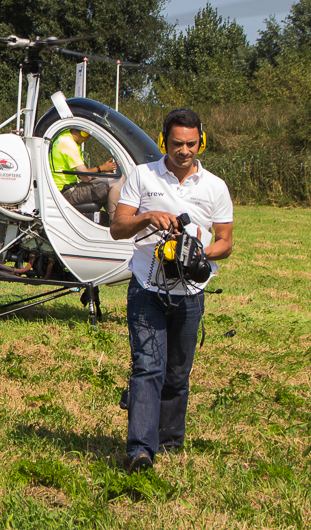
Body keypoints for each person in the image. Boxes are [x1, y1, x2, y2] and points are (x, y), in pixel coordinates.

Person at [109, 108, 234, 474]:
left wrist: (200, 253)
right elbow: (118, 227)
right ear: (164, 141)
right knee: (148, 367)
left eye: (192, 144)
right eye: (177, 143)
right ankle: (140, 452)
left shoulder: (215, 187)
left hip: (191, 292)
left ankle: (170, 442)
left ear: (202, 141)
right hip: (147, 287)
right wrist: (148, 217)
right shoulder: (143, 176)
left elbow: (226, 242)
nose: (185, 151)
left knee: (177, 373)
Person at [51, 128, 119, 216]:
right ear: (83, 132)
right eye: (88, 135)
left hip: (66, 188)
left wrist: (102, 169)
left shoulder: (64, 137)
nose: (88, 138)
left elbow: (82, 174)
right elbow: (86, 178)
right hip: (67, 192)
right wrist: (101, 176)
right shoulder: (69, 145)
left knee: (110, 178)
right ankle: (115, 224)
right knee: (116, 182)